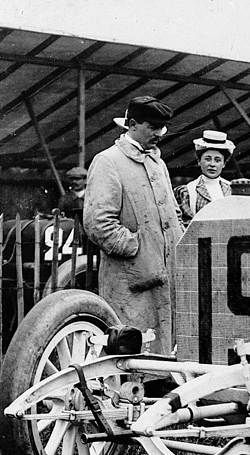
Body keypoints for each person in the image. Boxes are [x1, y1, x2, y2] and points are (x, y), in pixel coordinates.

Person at [84, 96, 183, 355]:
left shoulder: (158, 164)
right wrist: (136, 248)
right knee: (128, 352)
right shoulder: (108, 161)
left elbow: (173, 213)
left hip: (164, 278)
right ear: (132, 124)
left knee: (161, 352)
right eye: (152, 127)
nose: (159, 133)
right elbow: (98, 223)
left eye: (162, 127)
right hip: (130, 280)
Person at [174, 130, 235, 226]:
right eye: (207, 159)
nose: (212, 164)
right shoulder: (188, 191)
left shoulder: (232, 189)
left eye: (217, 160)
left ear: (224, 164)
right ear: (199, 161)